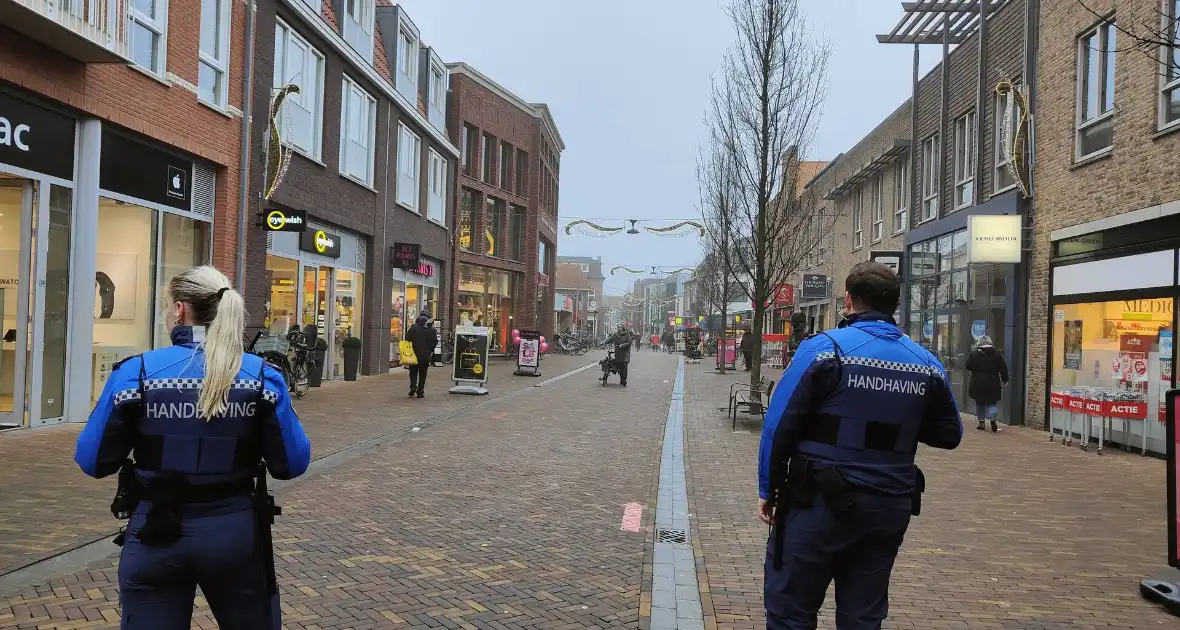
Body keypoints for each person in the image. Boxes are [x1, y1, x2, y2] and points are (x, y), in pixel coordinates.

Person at [74, 266, 311, 630]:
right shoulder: (262, 376)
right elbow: (292, 463)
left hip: (156, 531)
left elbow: (93, 460)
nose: (168, 313)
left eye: (167, 305)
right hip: (234, 533)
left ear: (181, 311)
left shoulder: (135, 374)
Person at [758, 261, 962, 629]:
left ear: (848, 301)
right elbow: (949, 435)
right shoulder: (926, 363)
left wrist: (768, 488)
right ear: (894, 305)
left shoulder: (824, 350)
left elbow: (779, 425)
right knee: (863, 616)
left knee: (791, 611)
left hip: (817, 504)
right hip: (887, 507)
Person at [966, 335, 1009, 433]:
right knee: (991, 402)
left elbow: (968, 366)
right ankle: (993, 418)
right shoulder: (997, 355)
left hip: (978, 383)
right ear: (990, 343)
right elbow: (1003, 368)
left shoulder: (974, 354)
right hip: (993, 383)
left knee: (979, 402)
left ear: (980, 343)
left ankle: (981, 423)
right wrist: (1005, 380)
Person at [404, 315, 438, 398]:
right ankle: (420, 392)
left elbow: (407, 338)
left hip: (414, 355)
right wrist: (430, 350)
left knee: (413, 372)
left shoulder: (414, 328)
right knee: (423, 374)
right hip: (425, 356)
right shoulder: (432, 330)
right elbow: (435, 342)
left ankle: (413, 387)